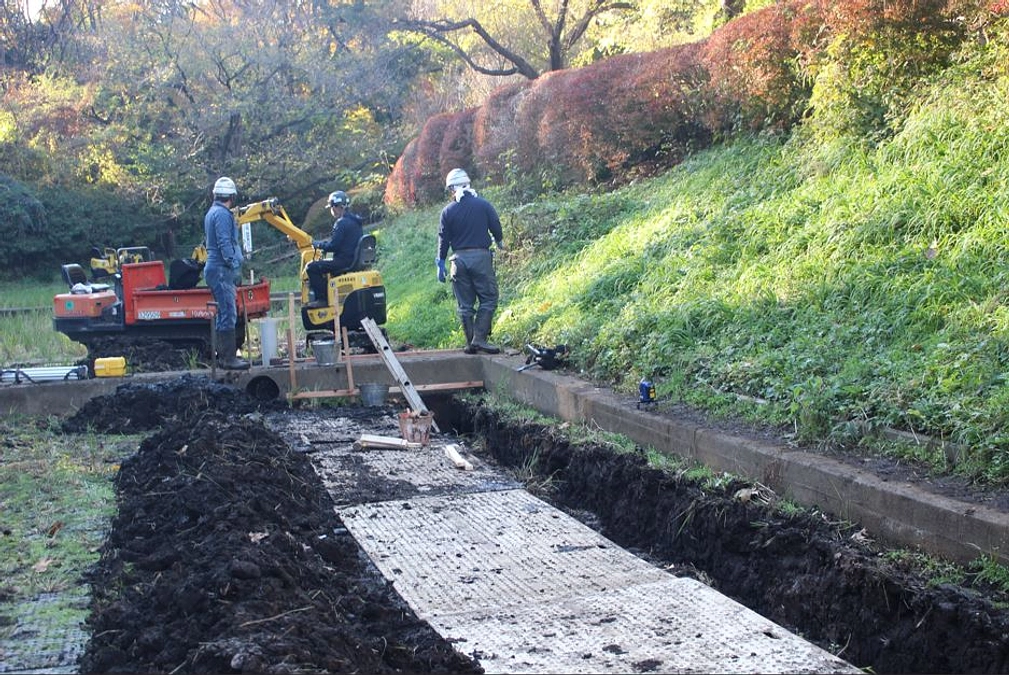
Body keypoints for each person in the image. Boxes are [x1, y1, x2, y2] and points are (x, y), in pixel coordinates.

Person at [435, 168, 504, 354]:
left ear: (452, 189)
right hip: (480, 257)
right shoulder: (483, 205)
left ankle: (470, 343)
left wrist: (440, 262)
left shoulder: (447, 211)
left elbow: (443, 238)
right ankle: (479, 339)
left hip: (458, 261)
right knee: (489, 298)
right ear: (468, 184)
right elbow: (495, 225)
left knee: (465, 304)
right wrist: (500, 240)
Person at [203, 176, 250, 370]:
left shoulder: (212, 212)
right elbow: (224, 242)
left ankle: (224, 357)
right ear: (231, 196)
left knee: (224, 313)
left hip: (216, 269)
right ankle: (228, 359)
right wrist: (234, 265)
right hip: (221, 270)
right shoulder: (222, 215)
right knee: (228, 313)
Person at [306, 190, 363, 307]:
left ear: (337, 207)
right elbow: (343, 242)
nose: (332, 211)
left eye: (332, 207)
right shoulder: (356, 222)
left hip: (343, 261)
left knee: (311, 267)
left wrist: (318, 245)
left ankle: (323, 299)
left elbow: (334, 246)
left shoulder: (341, 223)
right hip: (352, 259)